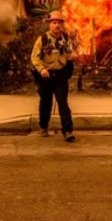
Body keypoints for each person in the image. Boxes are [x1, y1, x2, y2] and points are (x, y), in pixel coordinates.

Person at [30, 11, 76, 142]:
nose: (57, 25)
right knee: (46, 102)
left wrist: (72, 56)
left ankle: (67, 131)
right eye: (54, 22)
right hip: (46, 76)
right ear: (49, 24)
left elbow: (69, 53)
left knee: (63, 103)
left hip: (60, 75)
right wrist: (42, 69)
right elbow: (34, 57)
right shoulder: (43, 39)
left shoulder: (66, 39)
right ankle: (43, 127)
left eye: (60, 22)